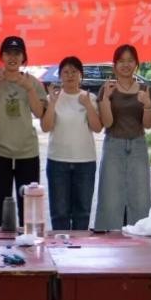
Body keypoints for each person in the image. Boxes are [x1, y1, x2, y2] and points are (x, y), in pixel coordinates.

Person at [0, 36, 47, 227]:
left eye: (17, 53)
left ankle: (28, 243)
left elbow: (39, 112)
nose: (12, 57)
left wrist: (29, 89)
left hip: (27, 151)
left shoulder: (33, 82)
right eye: (8, 53)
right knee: (0, 207)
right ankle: (1, 244)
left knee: (28, 208)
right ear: (1, 56)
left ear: (23, 57)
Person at [93, 44, 151, 230]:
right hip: (114, 144)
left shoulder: (144, 89)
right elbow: (108, 123)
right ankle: (110, 236)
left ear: (136, 64)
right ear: (114, 65)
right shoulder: (107, 88)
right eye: (121, 61)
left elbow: (148, 124)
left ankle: (140, 235)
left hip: (138, 144)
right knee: (110, 196)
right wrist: (106, 99)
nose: (126, 65)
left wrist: (147, 105)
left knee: (141, 196)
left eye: (130, 61)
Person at [41, 56, 102, 230]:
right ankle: (60, 245)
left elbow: (97, 128)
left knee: (82, 212)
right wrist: (52, 104)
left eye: (74, 72)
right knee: (59, 212)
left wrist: (88, 105)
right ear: (60, 75)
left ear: (80, 75)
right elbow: (46, 127)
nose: (70, 75)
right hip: (58, 161)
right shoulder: (52, 98)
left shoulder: (89, 97)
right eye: (66, 72)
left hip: (85, 162)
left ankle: (80, 246)